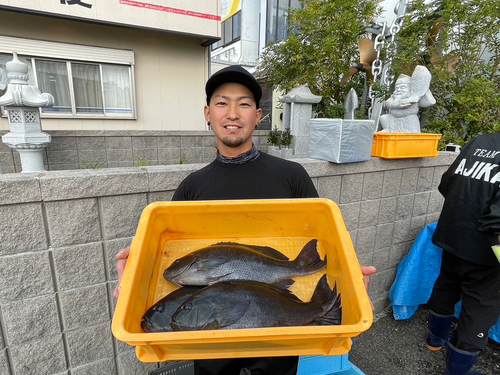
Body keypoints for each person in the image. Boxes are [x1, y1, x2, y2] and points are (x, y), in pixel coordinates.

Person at [113, 65, 377, 375]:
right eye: (222, 103)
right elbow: (164, 251)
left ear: (258, 115)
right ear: (208, 113)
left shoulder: (292, 176)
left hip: (276, 324)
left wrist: (349, 276)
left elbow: (325, 235)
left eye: (245, 103)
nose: (233, 113)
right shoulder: (191, 187)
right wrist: (134, 272)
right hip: (211, 333)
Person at [426, 133, 500, 375]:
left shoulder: (481, 142)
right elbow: (496, 222)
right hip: (486, 252)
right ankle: (456, 371)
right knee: (480, 308)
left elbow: (446, 183)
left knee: (446, 285)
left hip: (454, 234)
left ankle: (435, 340)